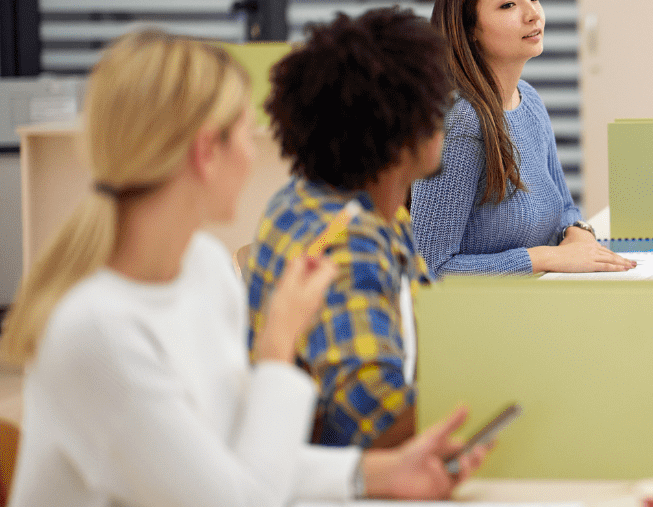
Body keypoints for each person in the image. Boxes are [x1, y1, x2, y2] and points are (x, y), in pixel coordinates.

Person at [0, 30, 485, 505]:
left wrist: (378, 473)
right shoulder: (95, 332)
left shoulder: (204, 267)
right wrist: (277, 343)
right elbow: (240, 496)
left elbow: (240, 455)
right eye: (242, 131)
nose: (255, 153)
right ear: (206, 152)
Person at [245, 7, 451, 448]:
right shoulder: (346, 244)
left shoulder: (340, 201)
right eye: (437, 105)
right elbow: (380, 427)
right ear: (401, 135)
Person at [411, 0, 634, 277]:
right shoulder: (462, 123)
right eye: (508, 5)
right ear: (470, 28)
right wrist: (544, 258)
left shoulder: (528, 100)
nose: (533, 14)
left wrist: (578, 233)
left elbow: (563, 209)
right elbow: (429, 269)